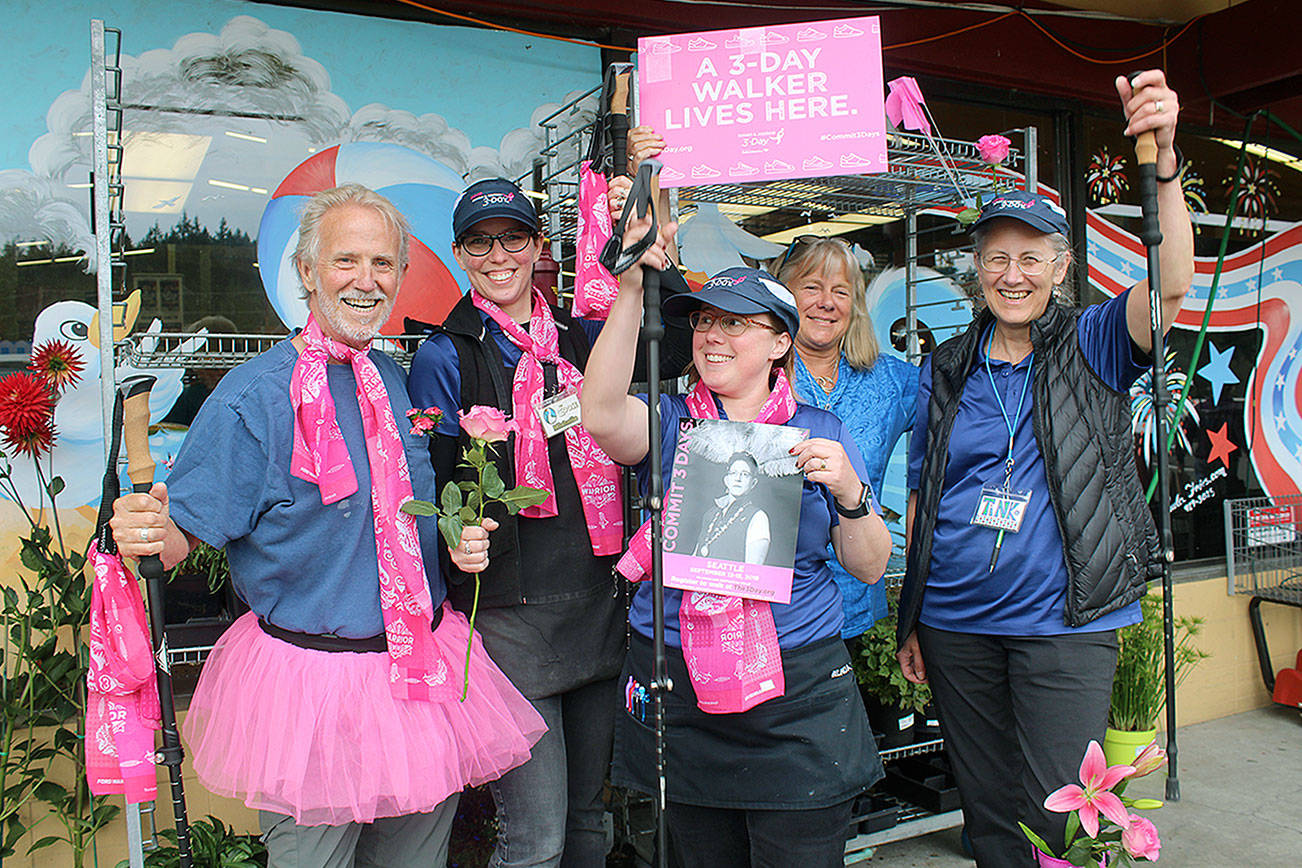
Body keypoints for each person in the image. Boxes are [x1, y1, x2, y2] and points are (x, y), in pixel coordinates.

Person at [110, 184, 545, 868]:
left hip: (415, 677)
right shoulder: (252, 397)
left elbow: (400, 518)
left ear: (401, 276)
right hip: (310, 694)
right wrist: (141, 530)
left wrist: (455, 543)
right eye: (346, 261)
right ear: (308, 273)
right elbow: (177, 538)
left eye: (383, 264)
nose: (366, 281)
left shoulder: (394, 381)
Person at [895, 70, 1193, 867]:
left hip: (1067, 625)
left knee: (1062, 819)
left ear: (1061, 268)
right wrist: (912, 617)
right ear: (978, 271)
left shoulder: (1094, 342)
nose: (1013, 274)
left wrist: (1162, 157)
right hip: (956, 624)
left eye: (1031, 258)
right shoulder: (950, 363)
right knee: (990, 814)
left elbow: (1169, 284)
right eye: (997, 258)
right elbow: (928, 493)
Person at [582, 201, 895, 866]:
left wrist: (851, 493)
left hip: (796, 690)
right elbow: (601, 411)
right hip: (681, 687)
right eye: (704, 322)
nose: (712, 336)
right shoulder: (670, 423)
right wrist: (634, 285)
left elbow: (869, 567)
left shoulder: (821, 432)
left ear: (782, 341)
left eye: (735, 324)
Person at [407, 177, 628, 868]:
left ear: (538, 247)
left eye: (514, 237)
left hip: (596, 599)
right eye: (480, 241)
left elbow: (668, 339)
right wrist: (452, 547)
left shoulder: (581, 335)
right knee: (537, 839)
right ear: (460, 253)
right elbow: (431, 487)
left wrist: (643, 224)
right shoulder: (448, 353)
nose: (498, 254)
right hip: (508, 619)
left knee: (592, 822)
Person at [776, 237, 919, 639]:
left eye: (841, 291)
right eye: (811, 287)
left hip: (854, 597)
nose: (827, 302)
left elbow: (959, 400)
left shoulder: (891, 381)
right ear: (785, 295)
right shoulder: (759, 372)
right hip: (775, 608)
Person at [694, 451, 770, 564]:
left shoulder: (758, 517)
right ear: (726, 480)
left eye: (745, 474)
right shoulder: (711, 514)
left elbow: (753, 570)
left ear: (753, 483)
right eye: (733, 473)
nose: (738, 478)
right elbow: (695, 556)